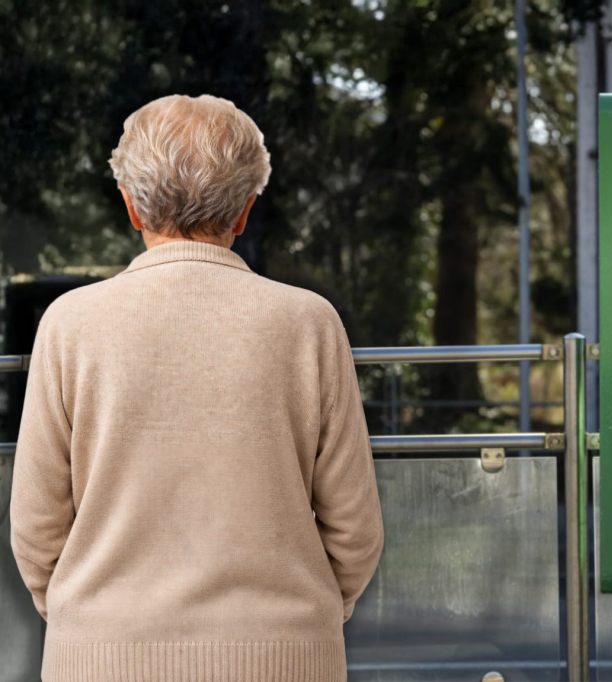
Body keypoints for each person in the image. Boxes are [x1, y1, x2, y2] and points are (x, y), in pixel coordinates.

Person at [10, 94, 384, 681]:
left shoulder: (69, 323)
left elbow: (36, 527)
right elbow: (355, 529)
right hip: (284, 657)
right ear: (244, 211)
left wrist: (87, 619)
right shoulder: (308, 323)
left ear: (132, 207)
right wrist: (298, 621)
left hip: (102, 656)